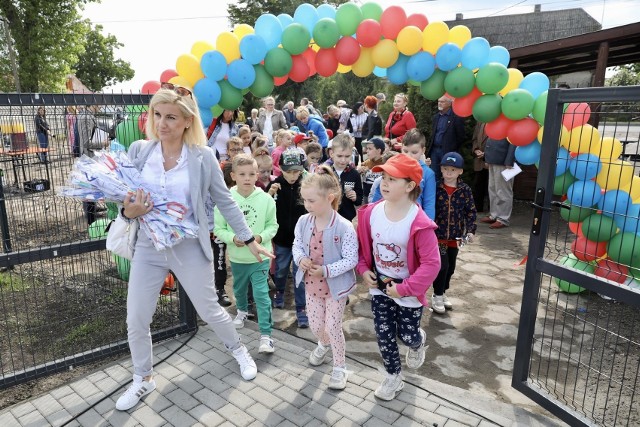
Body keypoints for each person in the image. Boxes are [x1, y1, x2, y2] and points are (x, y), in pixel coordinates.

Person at [114, 86, 273, 411]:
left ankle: (238, 350)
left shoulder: (202, 157)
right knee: (136, 319)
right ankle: (143, 378)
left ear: (187, 120)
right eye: (157, 114)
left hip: (189, 246)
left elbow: (225, 201)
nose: (162, 123)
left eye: (171, 116)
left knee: (209, 309)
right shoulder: (140, 151)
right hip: (148, 246)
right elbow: (123, 196)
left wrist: (248, 237)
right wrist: (127, 211)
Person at [356, 153, 440, 401]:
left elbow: (432, 264)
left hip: (408, 291)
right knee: (383, 333)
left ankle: (417, 341)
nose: (384, 182)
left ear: (410, 186)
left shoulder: (420, 222)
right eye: (383, 177)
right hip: (380, 286)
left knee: (407, 335)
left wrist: (404, 289)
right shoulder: (370, 213)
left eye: (393, 179)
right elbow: (364, 248)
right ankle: (393, 376)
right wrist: (363, 270)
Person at [293, 166, 358, 390]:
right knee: (316, 326)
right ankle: (323, 343)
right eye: (305, 201)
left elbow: (351, 260)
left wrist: (326, 270)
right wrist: (300, 258)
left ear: (330, 198)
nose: (307, 205)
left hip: (335, 289)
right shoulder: (303, 222)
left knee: (333, 326)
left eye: (311, 201)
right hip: (312, 287)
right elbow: (297, 245)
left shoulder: (344, 226)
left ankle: (339, 367)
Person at [214, 154, 278, 353]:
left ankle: (267, 336)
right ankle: (241, 311)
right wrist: (233, 238)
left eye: (251, 174)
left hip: (259, 258)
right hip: (237, 257)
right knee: (239, 291)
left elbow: (273, 226)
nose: (247, 178)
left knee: (261, 295)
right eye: (242, 174)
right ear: (233, 175)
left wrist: (258, 238)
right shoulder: (225, 200)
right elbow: (218, 229)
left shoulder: (266, 199)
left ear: (257, 174)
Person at [266, 149, 309, 327]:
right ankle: (280, 292)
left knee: (300, 275)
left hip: (302, 241)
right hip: (282, 239)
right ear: (280, 169)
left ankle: (301, 307)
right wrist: (270, 193)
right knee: (281, 270)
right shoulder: (276, 185)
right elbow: (265, 208)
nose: (292, 175)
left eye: (296, 171)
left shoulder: (306, 186)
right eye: (288, 171)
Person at [432, 152, 477, 314]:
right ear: (441, 170)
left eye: (453, 169)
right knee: (442, 266)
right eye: (445, 169)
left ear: (460, 172)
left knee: (451, 267)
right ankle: (436, 295)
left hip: (456, 236)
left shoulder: (464, 190)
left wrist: (471, 230)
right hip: (439, 236)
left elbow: (471, 211)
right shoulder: (436, 187)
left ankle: (443, 292)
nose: (449, 173)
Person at [370, 129, 436, 220]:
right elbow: (379, 191)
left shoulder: (428, 174)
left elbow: (429, 203)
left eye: (414, 152)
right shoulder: (393, 166)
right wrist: (372, 213)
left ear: (423, 150)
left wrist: (427, 226)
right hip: (389, 216)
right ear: (401, 148)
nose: (409, 156)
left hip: (414, 221)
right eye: (405, 151)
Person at [77, 105, 108, 224]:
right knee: (89, 188)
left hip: (89, 157)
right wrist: (103, 143)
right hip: (88, 158)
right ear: (91, 104)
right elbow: (86, 143)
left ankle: (92, 209)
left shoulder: (87, 116)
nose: (100, 106)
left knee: (90, 187)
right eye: (98, 103)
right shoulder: (86, 117)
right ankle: (91, 218)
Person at [481, 137, 517, 229]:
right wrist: (487, 158)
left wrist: (510, 160)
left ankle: (503, 219)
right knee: (493, 189)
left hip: (504, 161)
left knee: (503, 191)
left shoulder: (511, 122)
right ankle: (494, 215)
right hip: (494, 159)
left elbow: (514, 140)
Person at [427, 96, 465, 181]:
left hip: (448, 151)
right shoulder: (436, 117)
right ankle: (435, 193)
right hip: (435, 150)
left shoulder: (456, 117)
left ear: (450, 103)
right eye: (438, 101)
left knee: (447, 176)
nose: (439, 103)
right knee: (433, 174)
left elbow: (460, 136)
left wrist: (452, 148)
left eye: (442, 101)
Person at [326, 134, 363, 222]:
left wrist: (355, 197)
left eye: (347, 156)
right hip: (328, 218)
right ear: (332, 153)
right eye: (339, 156)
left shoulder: (354, 174)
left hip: (347, 219)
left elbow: (359, 200)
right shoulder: (325, 172)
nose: (343, 160)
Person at [357, 137, 385, 204]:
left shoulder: (385, 163)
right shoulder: (366, 163)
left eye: (370, 149)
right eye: (367, 149)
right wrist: (359, 170)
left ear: (378, 151)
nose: (367, 151)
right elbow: (357, 171)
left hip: (381, 196)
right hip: (366, 195)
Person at [471, 122, 489, 213]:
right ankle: (478, 208)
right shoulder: (480, 122)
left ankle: (491, 211)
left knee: (491, 187)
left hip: (490, 161)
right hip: (479, 160)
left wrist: (486, 154)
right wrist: (476, 150)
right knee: (478, 185)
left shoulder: (497, 122)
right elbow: (475, 139)